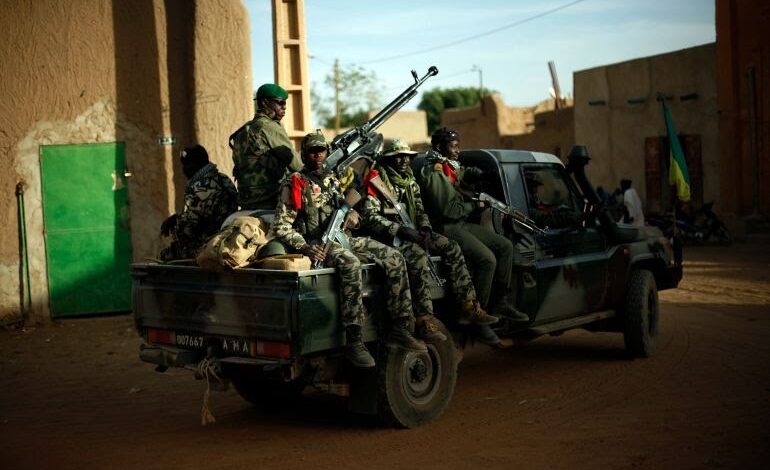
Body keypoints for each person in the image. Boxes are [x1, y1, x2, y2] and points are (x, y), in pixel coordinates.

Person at [269, 130, 426, 368]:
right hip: (320, 243)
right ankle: (354, 339)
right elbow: (281, 226)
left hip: (344, 237)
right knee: (350, 264)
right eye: (312, 151)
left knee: (394, 256)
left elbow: (350, 208)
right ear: (304, 154)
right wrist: (306, 246)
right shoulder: (295, 182)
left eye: (321, 150)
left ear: (327, 152)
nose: (317, 155)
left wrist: (353, 215)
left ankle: (401, 326)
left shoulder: (332, 178)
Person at [360, 138, 499, 341]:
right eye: (398, 157)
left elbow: (419, 209)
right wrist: (400, 230)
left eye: (407, 157)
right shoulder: (376, 182)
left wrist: (424, 228)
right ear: (388, 159)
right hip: (390, 238)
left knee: (451, 247)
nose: (404, 161)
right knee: (418, 257)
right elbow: (370, 217)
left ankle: (468, 306)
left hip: (414, 230)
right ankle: (424, 319)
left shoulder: (409, 180)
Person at [415, 127, 529, 347]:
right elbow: (450, 210)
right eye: (453, 146)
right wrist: (475, 205)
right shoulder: (433, 171)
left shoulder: (448, 166)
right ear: (439, 147)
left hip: (460, 223)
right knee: (487, 259)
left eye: (458, 146)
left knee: (505, 246)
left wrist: (470, 174)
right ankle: (477, 315)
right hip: (446, 227)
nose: (458, 150)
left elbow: (457, 175)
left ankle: (500, 302)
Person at [230, 83, 303, 210]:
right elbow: (296, 166)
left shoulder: (242, 132)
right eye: (280, 103)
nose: (284, 107)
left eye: (285, 103)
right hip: (270, 198)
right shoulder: (270, 127)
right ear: (265, 102)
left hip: (245, 200)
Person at [160, 145, 238, 261]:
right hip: (228, 240)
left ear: (195, 165)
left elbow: (187, 230)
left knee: (164, 256)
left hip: (207, 246)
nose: (184, 170)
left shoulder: (199, 187)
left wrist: (176, 226)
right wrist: (177, 217)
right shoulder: (223, 179)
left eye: (187, 165)